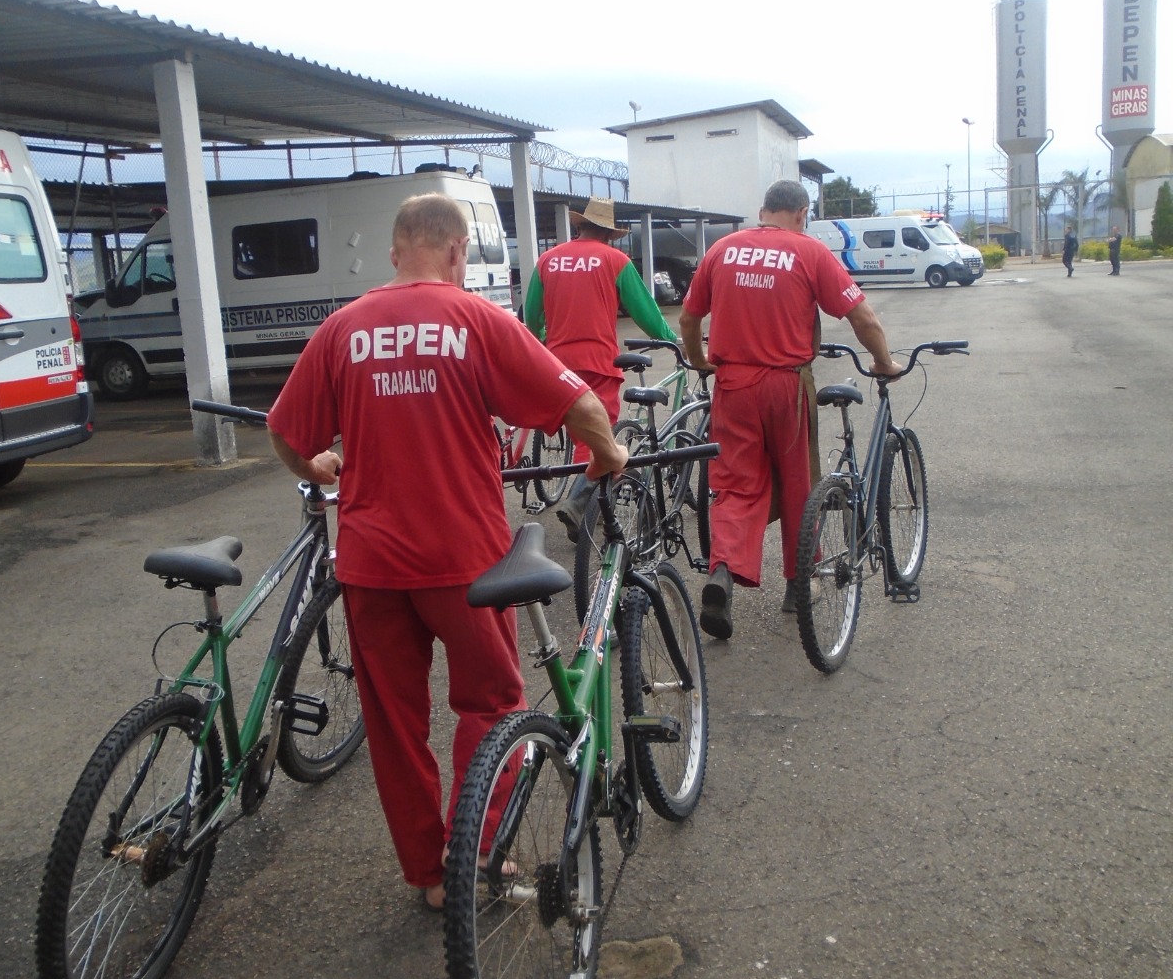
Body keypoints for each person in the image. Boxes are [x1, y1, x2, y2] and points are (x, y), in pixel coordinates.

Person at [267, 194, 628, 911]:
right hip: (466, 562)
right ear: (460, 251)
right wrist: (608, 453)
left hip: (369, 564)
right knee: (491, 704)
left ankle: (430, 877)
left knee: (396, 726)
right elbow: (578, 403)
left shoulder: (342, 328)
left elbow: (286, 429)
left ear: (396, 251)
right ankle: (480, 859)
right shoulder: (477, 320)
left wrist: (317, 470)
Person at [679, 179, 900, 641]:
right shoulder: (809, 252)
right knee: (799, 481)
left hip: (733, 384)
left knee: (736, 485)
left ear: (763, 210)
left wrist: (700, 360)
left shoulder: (723, 249)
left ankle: (722, 571)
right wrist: (884, 361)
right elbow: (862, 317)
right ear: (802, 213)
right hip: (786, 383)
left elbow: (688, 317)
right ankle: (799, 582)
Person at [523, 195, 677, 541]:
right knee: (597, 438)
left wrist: (544, 343)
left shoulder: (547, 260)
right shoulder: (615, 260)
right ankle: (580, 506)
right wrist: (671, 340)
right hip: (599, 364)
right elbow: (646, 313)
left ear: (580, 226)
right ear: (610, 233)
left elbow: (531, 316)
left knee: (580, 434)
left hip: (557, 365)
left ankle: (585, 506)